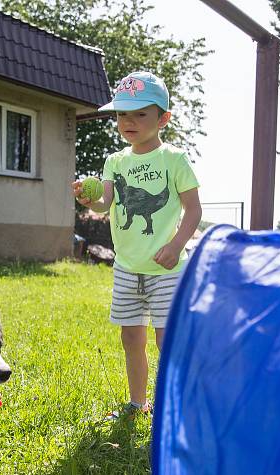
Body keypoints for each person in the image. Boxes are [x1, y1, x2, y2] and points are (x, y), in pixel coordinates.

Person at [73, 71, 202, 421]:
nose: (128, 121)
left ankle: (178, 405)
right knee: (132, 338)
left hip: (166, 270)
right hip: (127, 267)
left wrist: (177, 244)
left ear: (163, 118)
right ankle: (137, 403)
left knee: (166, 342)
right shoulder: (115, 161)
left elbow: (194, 210)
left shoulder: (174, 159)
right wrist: (90, 197)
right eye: (121, 114)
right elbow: (106, 204)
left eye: (139, 113)